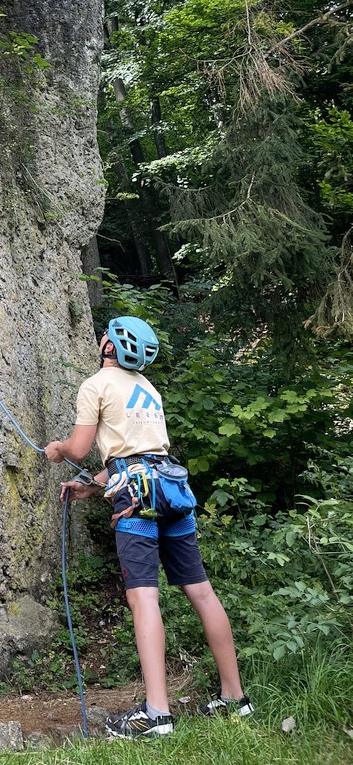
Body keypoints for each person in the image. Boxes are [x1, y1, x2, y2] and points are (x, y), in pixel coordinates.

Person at [45, 316, 253, 740]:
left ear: (110, 346)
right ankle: (236, 697)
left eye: (105, 332)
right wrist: (91, 486)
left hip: (136, 498)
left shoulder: (96, 385)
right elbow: (143, 452)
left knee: (144, 599)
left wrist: (58, 449)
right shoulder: (148, 389)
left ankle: (157, 714)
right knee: (201, 592)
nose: (101, 335)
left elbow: (81, 448)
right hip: (173, 491)